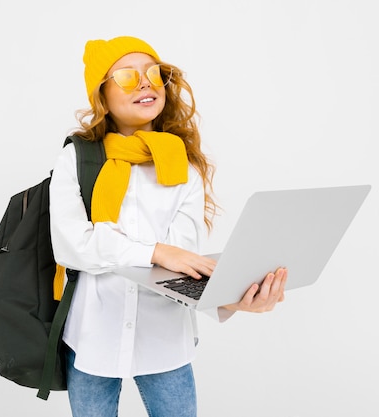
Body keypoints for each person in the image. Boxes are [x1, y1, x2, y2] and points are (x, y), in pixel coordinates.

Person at [49, 35, 287, 417]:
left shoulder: (183, 167)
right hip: (94, 333)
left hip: (164, 337)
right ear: (102, 96)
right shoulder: (75, 158)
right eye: (127, 77)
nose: (145, 83)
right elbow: (73, 245)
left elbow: (178, 264)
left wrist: (230, 297)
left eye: (154, 74)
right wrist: (156, 251)